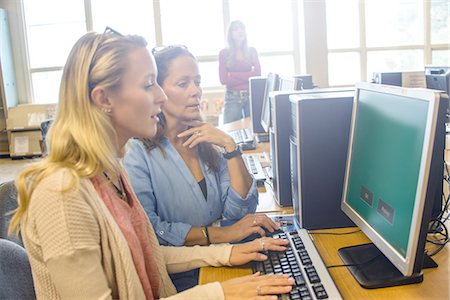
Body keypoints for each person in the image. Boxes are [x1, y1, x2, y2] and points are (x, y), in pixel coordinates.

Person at [8, 29, 294, 299]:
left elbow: (149, 256)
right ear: (103, 98)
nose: (161, 95)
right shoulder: (61, 195)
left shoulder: (109, 172)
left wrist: (224, 254)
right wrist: (220, 293)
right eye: (148, 85)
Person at [123, 45, 278, 291]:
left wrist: (230, 146)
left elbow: (239, 212)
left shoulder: (205, 141)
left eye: (197, 82)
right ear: (158, 91)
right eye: (183, 84)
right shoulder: (137, 152)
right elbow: (151, 231)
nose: (196, 91)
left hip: (219, 257)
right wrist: (221, 235)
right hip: (182, 272)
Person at [219, 20, 261, 124]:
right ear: (231, 34)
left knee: (253, 129)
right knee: (230, 131)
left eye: (242, 28)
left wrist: (233, 75)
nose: (240, 31)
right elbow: (224, 79)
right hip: (232, 97)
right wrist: (247, 77)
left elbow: (257, 74)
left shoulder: (252, 51)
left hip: (251, 95)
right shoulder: (224, 53)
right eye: (236, 29)